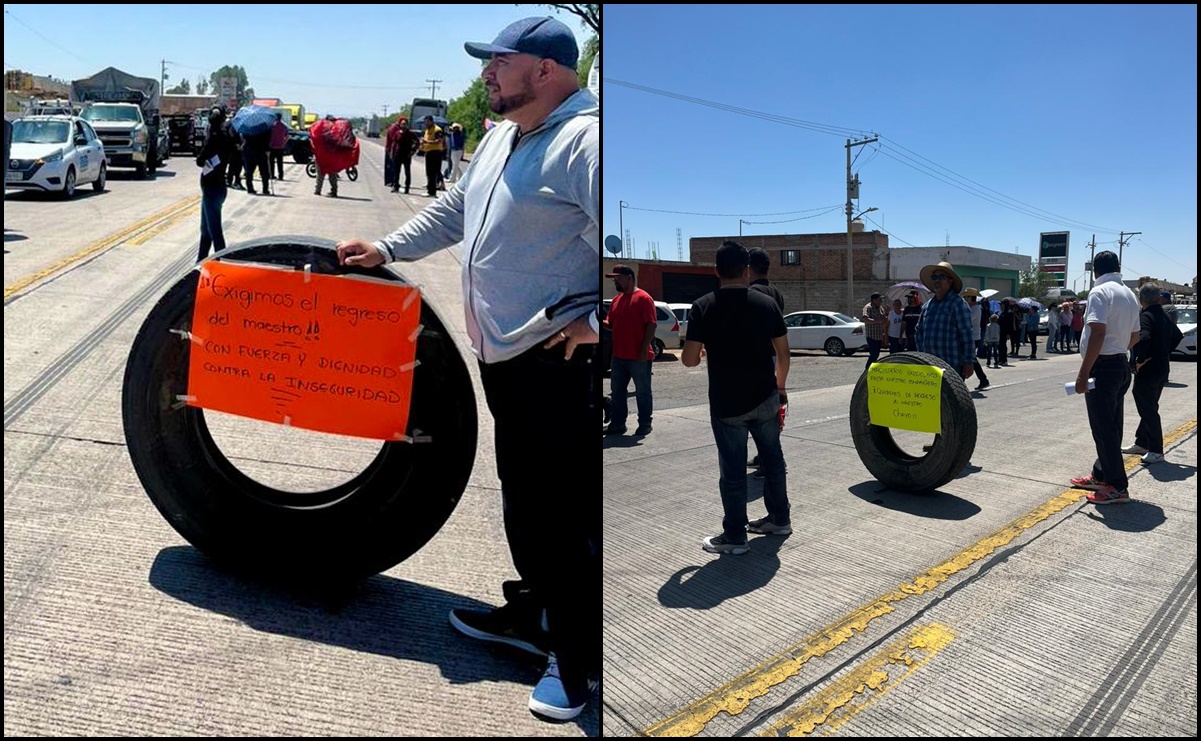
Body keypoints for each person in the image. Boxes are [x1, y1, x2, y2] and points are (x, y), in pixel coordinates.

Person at [335, 15, 598, 721]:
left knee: (563, 517)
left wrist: (595, 315)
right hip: (504, 355)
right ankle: (534, 615)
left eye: (498, 62)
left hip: (556, 362)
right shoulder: (501, 137)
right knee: (524, 501)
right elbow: (455, 209)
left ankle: (577, 668)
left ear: (543, 70)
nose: (485, 74)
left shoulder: (588, 141)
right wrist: (387, 249)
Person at [681, 240, 791, 556]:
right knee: (773, 462)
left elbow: (689, 360)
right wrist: (779, 387)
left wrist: (701, 350)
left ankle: (734, 536)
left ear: (716, 271)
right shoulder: (767, 304)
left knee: (732, 472)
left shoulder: (703, 306)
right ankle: (779, 519)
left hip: (727, 404)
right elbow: (783, 354)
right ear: (746, 270)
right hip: (766, 398)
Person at [1068, 251, 1141, 505]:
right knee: (1112, 426)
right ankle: (1102, 474)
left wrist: (1084, 372)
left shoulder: (1100, 292)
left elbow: (1097, 333)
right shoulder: (1130, 294)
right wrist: (1118, 348)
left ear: (1094, 271)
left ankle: (1117, 486)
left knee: (1103, 429)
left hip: (1103, 367)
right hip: (1120, 363)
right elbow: (1136, 335)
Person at [1123, 283, 1184, 465]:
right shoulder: (1164, 315)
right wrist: (1163, 353)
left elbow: (1144, 338)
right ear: (1158, 298)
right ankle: (1142, 442)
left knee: (1148, 408)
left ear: (1141, 300)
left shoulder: (1146, 316)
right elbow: (1178, 336)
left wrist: (1141, 359)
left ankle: (1156, 449)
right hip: (1162, 368)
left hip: (1148, 370)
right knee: (1149, 404)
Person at [604, 264, 656, 437]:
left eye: (617, 278)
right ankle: (618, 424)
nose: (615, 281)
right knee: (618, 393)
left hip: (638, 356)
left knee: (642, 392)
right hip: (618, 356)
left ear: (629, 277)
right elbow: (611, 325)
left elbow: (651, 325)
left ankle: (645, 424)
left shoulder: (643, 298)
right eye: (613, 279)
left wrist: (643, 349)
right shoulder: (616, 301)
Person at [747, 246, 784, 478]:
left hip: (758, 358)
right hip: (772, 354)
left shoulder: (751, 292)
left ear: (748, 268)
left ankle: (768, 462)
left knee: (759, 413)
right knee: (768, 410)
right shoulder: (775, 292)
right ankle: (764, 458)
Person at [915, 261, 975, 380]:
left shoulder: (958, 304)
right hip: (930, 367)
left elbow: (967, 335)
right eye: (934, 277)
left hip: (951, 367)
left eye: (941, 277)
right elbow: (918, 331)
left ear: (950, 280)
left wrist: (969, 362)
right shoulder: (927, 306)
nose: (937, 280)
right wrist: (922, 355)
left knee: (950, 399)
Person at [195, 107, 234, 262]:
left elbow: (200, 160)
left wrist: (205, 146)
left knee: (215, 232)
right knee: (206, 231)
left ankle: (222, 265)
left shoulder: (213, 138)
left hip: (211, 189)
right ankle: (200, 263)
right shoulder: (227, 137)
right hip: (218, 187)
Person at [963, 288, 990, 389]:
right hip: (971, 336)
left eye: (966, 297)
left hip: (974, 337)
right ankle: (983, 379)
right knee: (972, 359)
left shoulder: (975, 309)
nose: (965, 298)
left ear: (970, 297)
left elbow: (967, 320)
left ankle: (982, 380)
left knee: (968, 358)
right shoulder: (970, 308)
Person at [386, 116, 419, 194]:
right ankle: (395, 186)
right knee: (396, 172)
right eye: (402, 124)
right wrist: (392, 153)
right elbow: (394, 143)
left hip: (407, 155)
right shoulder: (397, 133)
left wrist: (413, 151)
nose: (403, 125)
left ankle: (407, 187)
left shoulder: (410, 134)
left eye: (405, 124)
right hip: (398, 155)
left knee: (407, 172)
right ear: (400, 125)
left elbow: (417, 142)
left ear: (407, 125)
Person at [310, 115, 340, 198]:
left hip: (321, 155)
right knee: (332, 174)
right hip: (332, 156)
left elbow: (314, 138)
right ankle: (334, 191)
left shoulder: (321, 129)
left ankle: (318, 190)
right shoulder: (336, 131)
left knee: (320, 174)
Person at [419, 115, 446, 196]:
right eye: (425, 122)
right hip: (429, 152)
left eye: (427, 122)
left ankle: (432, 192)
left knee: (433, 173)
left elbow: (439, 141)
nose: (425, 124)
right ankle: (430, 189)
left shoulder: (437, 129)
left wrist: (427, 142)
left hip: (435, 153)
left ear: (431, 121)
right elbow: (426, 140)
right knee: (429, 172)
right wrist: (422, 145)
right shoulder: (427, 130)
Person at [861, 292, 888, 369]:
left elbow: (884, 319)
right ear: (874, 300)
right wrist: (878, 321)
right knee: (873, 354)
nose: (880, 302)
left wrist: (887, 313)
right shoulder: (868, 308)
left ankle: (872, 369)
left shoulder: (880, 308)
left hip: (878, 336)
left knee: (876, 355)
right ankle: (867, 370)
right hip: (871, 336)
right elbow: (866, 320)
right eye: (879, 300)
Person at [268, 113, 288, 181]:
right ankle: (281, 176)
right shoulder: (283, 126)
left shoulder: (271, 126)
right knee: (280, 162)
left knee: (271, 162)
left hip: (272, 146)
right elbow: (287, 136)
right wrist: (284, 143)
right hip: (280, 147)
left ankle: (271, 175)